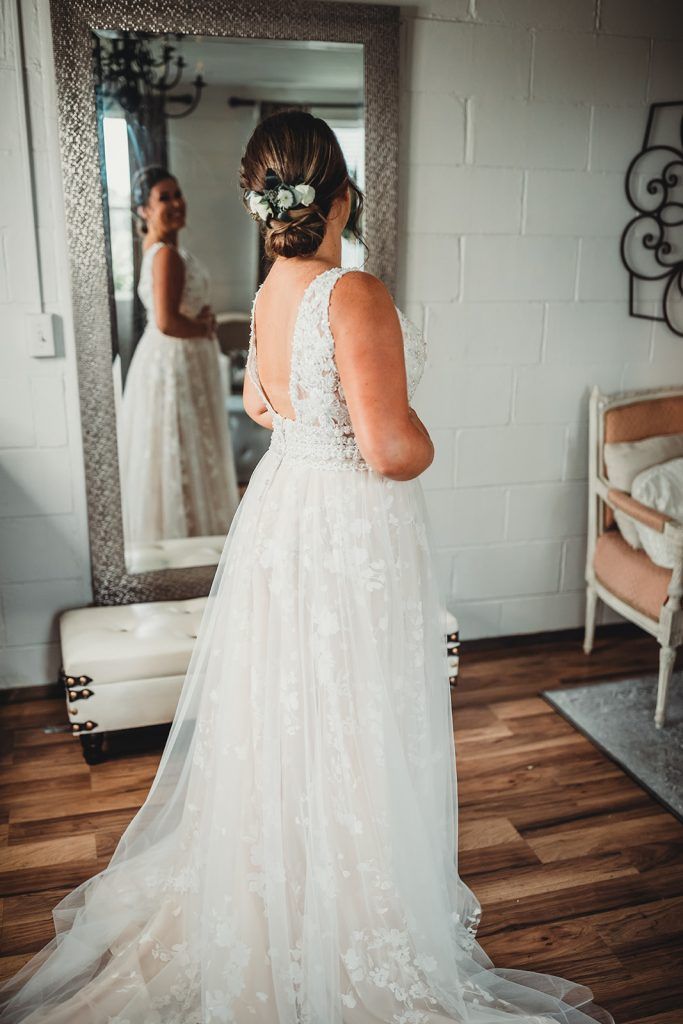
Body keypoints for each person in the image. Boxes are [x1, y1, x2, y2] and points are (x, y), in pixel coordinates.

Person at [0, 111, 614, 1024]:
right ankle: (347, 897)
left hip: (286, 508)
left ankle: (287, 879)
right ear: (342, 194)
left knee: (292, 701)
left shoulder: (275, 285)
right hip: (345, 524)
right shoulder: (351, 290)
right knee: (353, 701)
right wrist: (423, 435)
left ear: (265, 203)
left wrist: (322, 423)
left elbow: (257, 405)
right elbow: (391, 449)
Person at [118, 166, 240, 546]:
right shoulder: (166, 255)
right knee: (181, 445)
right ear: (143, 210)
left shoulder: (158, 250)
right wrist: (205, 328)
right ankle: (188, 536)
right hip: (175, 360)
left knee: (178, 447)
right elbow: (168, 322)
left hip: (171, 359)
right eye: (164, 197)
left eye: (178, 193)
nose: (176, 203)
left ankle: (183, 533)